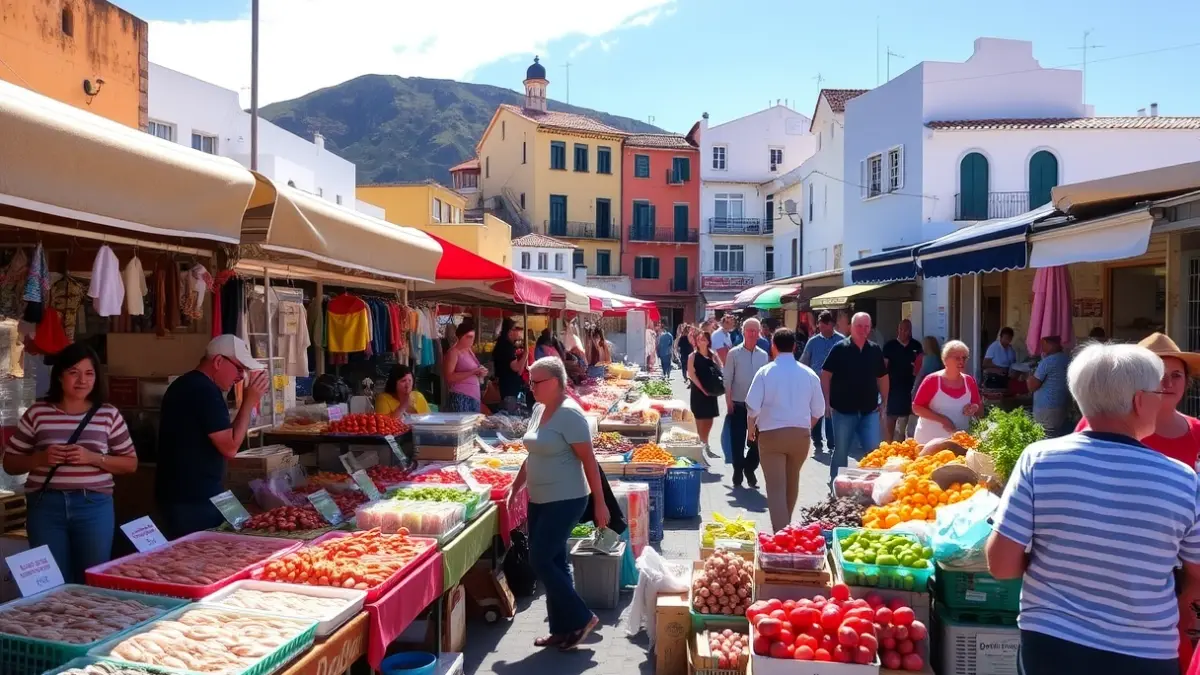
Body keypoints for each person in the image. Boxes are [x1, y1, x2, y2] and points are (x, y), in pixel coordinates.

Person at [987, 342, 1200, 675]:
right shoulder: (1182, 478)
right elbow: (1196, 576)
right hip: (1146, 653)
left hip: (1050, 644)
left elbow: (1001, 565)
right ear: (1140, 401)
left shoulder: (1039, 460)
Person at [3, 344, 137, 582]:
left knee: (93, 577)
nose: (82, 380)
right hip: (46, 506)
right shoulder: (38, 413)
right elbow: (10, 463)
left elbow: (130, 464)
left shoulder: (108, 414)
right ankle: (50, 621)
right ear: (60, 376)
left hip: (93, 506)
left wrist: (93, 458)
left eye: (89, 373)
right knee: (48, 582)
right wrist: (41, 458)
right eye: (74, 372)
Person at [514, 357, 607, 651]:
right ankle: (561, 630)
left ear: (555, 382)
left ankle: (582, 617)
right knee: (554, 562)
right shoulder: (539, 409)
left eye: (535, 382)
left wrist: (600, 504)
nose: (530, 387)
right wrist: (515, 487)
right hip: (539, 498)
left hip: (566, 499)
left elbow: (590, 463)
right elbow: (532, 455)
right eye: (529, 381)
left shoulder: (570, 415)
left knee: (539, 559)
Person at [156, 335, 268, 539]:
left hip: (197, 493)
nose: (241, 377)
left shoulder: (193, 385)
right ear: (218, 361)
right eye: (239, 368)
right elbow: (230, 447)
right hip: (192, 499)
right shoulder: (203, 390)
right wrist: (250, 400)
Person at [745, 329, 824, 532]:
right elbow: (819, 410)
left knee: (776, 487)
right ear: (795, 347)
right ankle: (787, 528)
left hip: (771, 434)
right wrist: (806, 428)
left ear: (773, 346)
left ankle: (781, 534)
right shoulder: (809, 374)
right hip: (800, 436)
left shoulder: (765, 372)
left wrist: (750, 429)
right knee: (792, 480)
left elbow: (753, 406)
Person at [821, 312, 888, 484]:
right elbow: (826, 375)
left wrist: (885, 402)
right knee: (842, 451)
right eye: (859, 326)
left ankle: (871, 485)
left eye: (867, 326)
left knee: (873, 450)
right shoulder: (839, 348)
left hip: (869, 410)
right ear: (851, 327)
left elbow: (882, 377)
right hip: (843, 411)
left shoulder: (874, 350)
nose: (863, 330)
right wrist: (826, 402)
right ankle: (838, 483)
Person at [723, 318, 769, 488]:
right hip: (738, 403)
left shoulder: (763, 356)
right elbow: (727, 379)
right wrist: (728, 402)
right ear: (743, 332)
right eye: (749, 330)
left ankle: (749, 468)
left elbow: (766, 382)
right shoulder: (733, 353)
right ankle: (737, 470)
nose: (752, 333)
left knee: (757, 442)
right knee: (737, 440)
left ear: (759, 333)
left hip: (757, 408)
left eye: (755, 331)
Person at [911, 340, 981, 444]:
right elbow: (916, 408)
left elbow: (979, 407)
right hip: (928, 441)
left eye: (964, 358)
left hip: (959, 443)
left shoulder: (969, 381)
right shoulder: (932, 380)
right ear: (945, 360)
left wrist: (974, 408)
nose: (961, 361)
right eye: (957, 358)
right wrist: (943, 420)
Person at [800, 310, 843, 454]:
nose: (822, 328)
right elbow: (804, 361)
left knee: (832, 411)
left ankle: (832, 442)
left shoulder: (841, 341)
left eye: (825, 325)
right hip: (816, 383)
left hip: (837, 383)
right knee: (817, 411)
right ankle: (817, 439)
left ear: (831, 324)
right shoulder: (813, 342)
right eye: (820, 325)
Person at [882, 319, 922, 441]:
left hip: (910, 387)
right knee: (891, 417)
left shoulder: (916, 346)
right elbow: (884, 367)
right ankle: (888, 444)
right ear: (897, 330)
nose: (903, 332)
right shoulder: (890, 346)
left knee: (907, 419)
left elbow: (920, 365)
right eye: (901, 329)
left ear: (910, 331)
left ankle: (903, 445)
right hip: (893, 386)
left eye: (906, 330)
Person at [687, 329, 722, 458]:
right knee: (700, 418)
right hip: (698, 392)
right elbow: (691, 374)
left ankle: (705, 443)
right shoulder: (693, 356)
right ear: (696, 341)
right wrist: (702, 389)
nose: (702, 341)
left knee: (709, 419)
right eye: (700, 339)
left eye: (704, 339)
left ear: (708, 341)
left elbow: (720, 369)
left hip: (711, 391)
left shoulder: (713, 354)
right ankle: (701, 447)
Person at [1027, 335, 1069, 436]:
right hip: (1062, 407)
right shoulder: (1067, 359)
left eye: (1043, 344)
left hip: (1046, 409)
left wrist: (1028, 377)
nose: (1042, 348)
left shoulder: (1047, 362)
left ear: (1050, 345)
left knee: (1045, 437)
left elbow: (1032, 386)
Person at [444, 323, 487, 413]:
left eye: (473, 337)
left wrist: (481, 372)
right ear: (461, 336)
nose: (471, 340)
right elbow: (449, 377)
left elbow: (474, 369)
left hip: (474, 396)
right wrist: (472, 372)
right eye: (469, 337)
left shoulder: (468, 350)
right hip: (461, 395)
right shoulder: (454, 352)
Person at [492, 319, 527, 413]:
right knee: (510, 413)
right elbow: (516, 368)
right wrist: (525, 355)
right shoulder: (506, 347)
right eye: (516, 329)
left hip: (508, 386)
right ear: (510, 331)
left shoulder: (504, 344)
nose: (519, 332)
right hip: (509, 387)